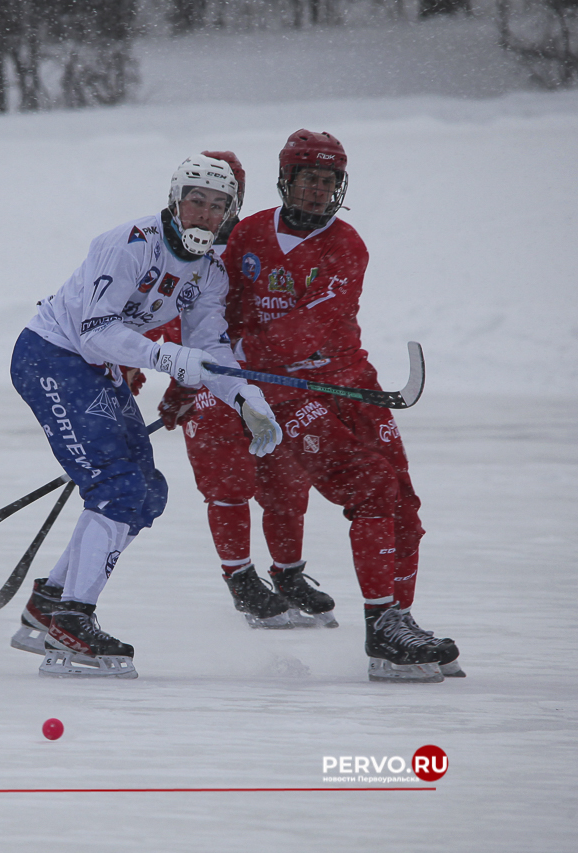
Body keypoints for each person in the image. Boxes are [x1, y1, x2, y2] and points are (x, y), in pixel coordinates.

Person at [9, 155, 284, 679]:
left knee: (146, 490)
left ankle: (50, 604)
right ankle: (73, 618)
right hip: (53, 355)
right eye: (195, 200)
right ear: (175, 200)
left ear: (230, 213)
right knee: (116, 488)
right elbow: (94, 331)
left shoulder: (209, 273)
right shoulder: (129, 244)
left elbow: (211, 353)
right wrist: (169, 357)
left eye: (217, 205)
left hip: (94, 367)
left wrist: (247, 400)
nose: (204, 213)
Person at [222, 130, 462, 682]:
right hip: (282, 396)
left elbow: (307, 327)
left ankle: (398, 619)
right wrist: (217, 361)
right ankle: (381, 629)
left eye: (329, 181)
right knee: (370, 488)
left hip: (350, 383)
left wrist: (246, 350)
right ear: (286, 180)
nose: (319, 191)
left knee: (403, 502)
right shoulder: (249, 235)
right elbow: (224, 308)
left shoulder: (346, 244)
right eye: (309, 179)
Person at [146, 151, 338, 630]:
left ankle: (289, 573)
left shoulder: (252, 235)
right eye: (203, 199)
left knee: (286, 481)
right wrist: (170, 381)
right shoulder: (171, 242)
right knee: (228, 481)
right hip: (208, 379)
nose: (215, 209)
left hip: (262, 380)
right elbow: (159, 312)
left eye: (227, 197)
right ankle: (242, 580)